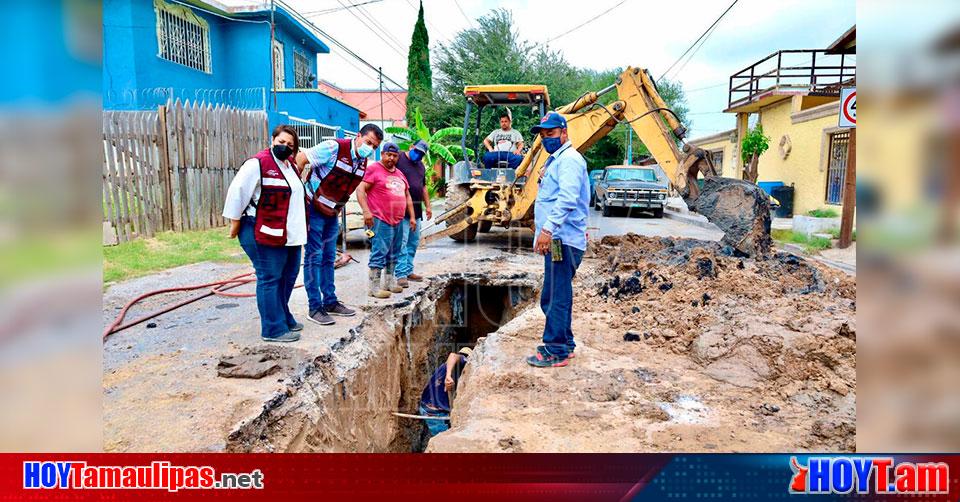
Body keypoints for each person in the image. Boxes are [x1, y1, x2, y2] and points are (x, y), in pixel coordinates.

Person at [223, 125, 306, 343]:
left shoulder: (290, 167)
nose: (285, 147)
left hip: (288, 235)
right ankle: (273, 328)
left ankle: (283, 316)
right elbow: (237, 192)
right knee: (270, 278)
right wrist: (234, 222)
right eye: (281, 142)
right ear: (272, 140)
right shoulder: (258, 164)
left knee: (288, 277)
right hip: (262, 231)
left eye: (290, 145)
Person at [295, 124, 383, 326]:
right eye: (368, 142)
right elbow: (301, 159)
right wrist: (297, 192)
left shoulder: (362, 162)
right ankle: (314, 307)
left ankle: (330, 301)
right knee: (313, 256)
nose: (370, 148)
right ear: (358, 136)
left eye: (374, 146)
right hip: (313, 208)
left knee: (327, 257)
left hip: (331, 212)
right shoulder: (333, 148)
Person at [526, 112, 590, 367]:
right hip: (558, 239)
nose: (545, 139)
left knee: (556, 296)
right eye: (542, 135)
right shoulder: (557, 160)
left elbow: (567, 198)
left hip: (562, 239)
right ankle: (566, 343)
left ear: (564, 133)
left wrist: (547, 230)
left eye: (550, 134)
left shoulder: (570, 160)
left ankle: (556, 350)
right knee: (554, 294)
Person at [355, 142, 416, 298]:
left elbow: (407, 195)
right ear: (382, 154)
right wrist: (366, 211)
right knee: (380, 252)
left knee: (394, 253)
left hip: (398, 220)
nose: (391, 158)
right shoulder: (373, 169)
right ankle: (373, 288)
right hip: (379, 219)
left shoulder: (399, 174)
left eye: (395, 155)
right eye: (388, 154)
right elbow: (361, 189)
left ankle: (389, 283)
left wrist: (413, 217)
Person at [394, 140, 433, 288]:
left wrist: (428, 206)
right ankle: (401, 274)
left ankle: (408, 270)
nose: (418, 155)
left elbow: (423, 187)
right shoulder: (398, 159)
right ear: (411, 147)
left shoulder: (421, 166)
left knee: (413, 242)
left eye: (422, 154)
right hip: (401, 210)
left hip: (416, 211)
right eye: (417, 151)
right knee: (402, 242)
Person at [419, 347, 472, 437]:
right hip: (435, 412)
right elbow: (453, 355)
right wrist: (448, 376)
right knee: (444, 438)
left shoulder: (445, 367)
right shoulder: (463, 360)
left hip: (426, 407)